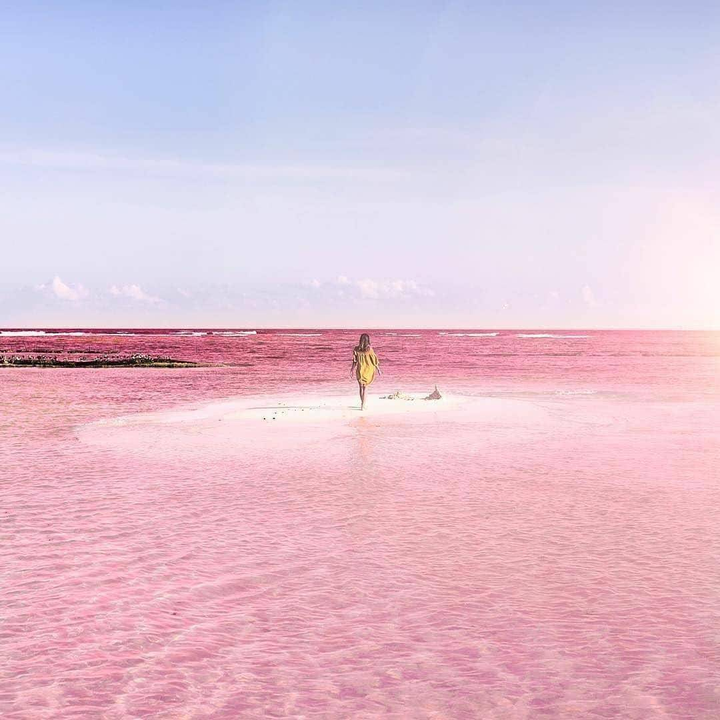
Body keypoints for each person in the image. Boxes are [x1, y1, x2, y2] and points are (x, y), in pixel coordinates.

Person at [350, 333, 381, 410]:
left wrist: (352, 369)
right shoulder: (369, 349)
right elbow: (374, 360)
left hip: (360, 370)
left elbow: (354, 361)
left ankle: (362, 404)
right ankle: (363, 405)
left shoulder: (356, 349)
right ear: (368, 340)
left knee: (360, 387)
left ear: (360, 340)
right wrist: (378, 369)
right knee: (365, 387)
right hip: (368, 370)